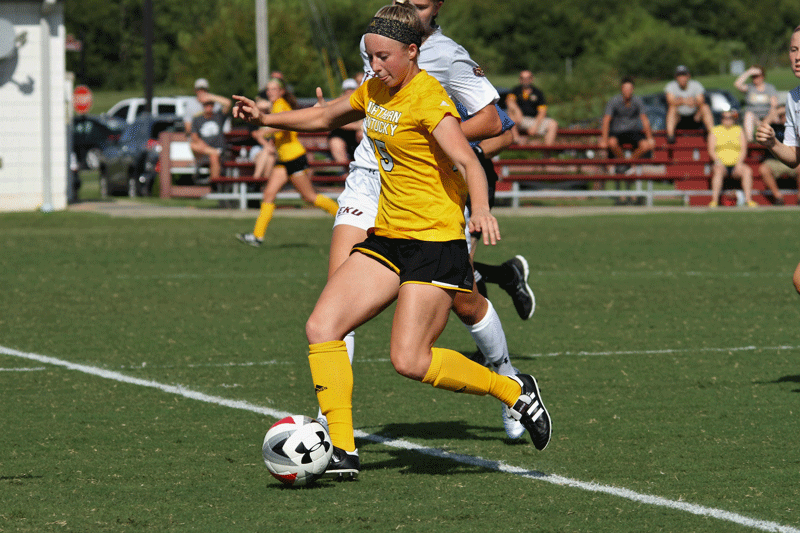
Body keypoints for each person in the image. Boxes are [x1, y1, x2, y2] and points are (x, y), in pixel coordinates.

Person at [233, 2, 552, 480]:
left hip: (434, 241)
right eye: (371, 56)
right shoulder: (377, 90)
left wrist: (482, 210)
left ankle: (514, 391)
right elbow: (325, 117)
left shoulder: (429, 99)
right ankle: (341, 448)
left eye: (384, 57)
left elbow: (467, 160)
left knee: (409, 360)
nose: (375, 66)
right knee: (323, 326)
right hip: (389, 236)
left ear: (411, 50)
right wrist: (264, 119)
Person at [321, 0, 536, 441]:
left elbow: (498, 123)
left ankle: (508, 380)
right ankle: (333, 425)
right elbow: (366, 109)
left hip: (430, 194)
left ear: (437, 7)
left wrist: (437, 137)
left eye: (420, 2)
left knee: (464, 301)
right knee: (334, 303)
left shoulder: (447, 55)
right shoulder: (381, 42)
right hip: (369, 181)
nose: (409, 5)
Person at [235, 78, 339, 247]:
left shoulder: (280, 105)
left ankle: (344, 217)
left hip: (294, 158)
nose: (270, 92)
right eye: (268, 89)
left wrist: (265, 132)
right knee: (269, 194)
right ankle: (257, 237)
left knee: (309, 197)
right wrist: (269, 141)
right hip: (283, 160)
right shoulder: (275, 105)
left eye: (274, 89)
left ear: (281, 91)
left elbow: (285, 125)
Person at [600, 77, 655, 204]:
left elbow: (645, 120)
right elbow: (606, 120)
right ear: (621, 89)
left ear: (633, 89)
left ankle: (626, 164)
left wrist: (650, 138)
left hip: (633, 132)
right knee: (612, 143)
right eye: (625, 88)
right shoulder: (614, 101)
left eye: (630, 88)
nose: (627, 91)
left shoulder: (637, 101)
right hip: (617, 132)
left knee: (646, 145)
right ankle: (626, 165)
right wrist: (603, 139)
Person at [707, 110, 756, 207]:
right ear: (721, 119)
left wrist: (739, 163)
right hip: (720, 164)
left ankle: (748, 200)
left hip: (736, 164)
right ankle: (714, 201)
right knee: (718, 171)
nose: (727, 120)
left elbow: (743, 149)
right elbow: (711, 150)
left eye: (730, 118)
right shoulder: (715, 131)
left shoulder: (739, 130)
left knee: (747, 171)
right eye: (725, 118)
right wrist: (718, 161)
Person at [757, 105, 800, 205]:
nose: (784, 117)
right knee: (764, 169)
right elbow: (762, 128)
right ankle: (778, 197)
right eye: (782, 115)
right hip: (774, 161)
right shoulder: (773, 127)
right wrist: (775, 113)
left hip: (793, 160)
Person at [504, 70, 558, 145]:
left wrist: (535, 126)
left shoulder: (538, 93)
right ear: (520, 79)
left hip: (534, 120)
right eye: (523, 78)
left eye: (528, 78)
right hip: (519, 120)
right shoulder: (515, 91)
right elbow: (509, 102)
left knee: (553, 124)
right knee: (510, 115)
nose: (525, 80)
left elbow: (542, 112)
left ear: (532, 79)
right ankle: (517, 140)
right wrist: (517, 111)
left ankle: (547, 153)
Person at [664, 65, 714, 144]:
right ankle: (670, 136)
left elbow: (701, 100)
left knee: (705, 107)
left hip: (695, 117)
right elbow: (670, 101)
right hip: (679, 118)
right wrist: (686, 101)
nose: (682, 78)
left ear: (688, 76)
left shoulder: (696, 85)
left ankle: (712, 134)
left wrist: (686, 101)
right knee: (672, 108)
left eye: (684, 75)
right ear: (676, 77)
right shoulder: (671, 86)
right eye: (679, 75)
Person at [189, 93, 231, 183]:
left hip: (219, 150)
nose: (208, 106)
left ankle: (214, 184)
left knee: (214, 156)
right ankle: (212, 182)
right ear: (202, 106)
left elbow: (228, 103)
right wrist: (201, 143)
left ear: (213, 105)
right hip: (204, 150)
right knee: (193, 145)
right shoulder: (197, 119)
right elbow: (194, 136)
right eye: (206, 104)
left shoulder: (219, 116)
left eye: (211, 104)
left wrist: (210, 96)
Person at [734, 65, 778, 141]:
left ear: (762, 76)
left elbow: (774, 105)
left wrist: (766, 119)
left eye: (757, 76)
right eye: (753, 76)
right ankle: (750, 140)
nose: (755, 78)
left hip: (767, 114)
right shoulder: (750, 87)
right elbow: (737, 84)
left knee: (775, 114)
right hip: (753, 115)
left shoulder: (770, 88)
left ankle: (768, 136)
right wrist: (748, 72)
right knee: (749, 115)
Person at [326, 78, 363, 164]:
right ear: (343, 91)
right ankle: (346, 173)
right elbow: (336, 122)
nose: (349, 91)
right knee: (336, 143)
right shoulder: (337, 103)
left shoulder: (363, 101)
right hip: (340, 135)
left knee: (362, 135)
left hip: (355, 136)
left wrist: (359, 127)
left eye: (352, 89)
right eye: (347, 89)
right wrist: (357, 126)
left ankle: (363, 168)